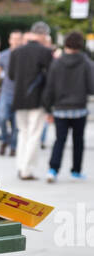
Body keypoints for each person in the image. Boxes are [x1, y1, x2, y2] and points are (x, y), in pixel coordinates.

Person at [43, 30, 94, 181]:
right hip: (79, 108)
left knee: (60, 140)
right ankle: (76, 171)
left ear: (65, 43)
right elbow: (92, 87)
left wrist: (48, 109)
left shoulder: (57, 63)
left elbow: (49, 88)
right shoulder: (86, 63)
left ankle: (53, 169)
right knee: (78, 140)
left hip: (60, 109)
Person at [8, 21, 53, 180]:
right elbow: (50, 78)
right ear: (42, 34)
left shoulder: (16, 52)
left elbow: (11, 75)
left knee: (23, 133)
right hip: (37, 99)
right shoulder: (46, 52)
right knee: (34, 134)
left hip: (19, 98)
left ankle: (21, 166)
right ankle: (26, 169)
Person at [0, 30, 22, 157]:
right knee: (2, 118)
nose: (15, 41)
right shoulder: (4, 55)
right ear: (9, 40)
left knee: (16, 124)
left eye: (18, 39)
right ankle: (5, 140)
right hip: (6, 93)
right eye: (13, 38)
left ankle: (13, 146)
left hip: (20, 94)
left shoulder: (24, 55)